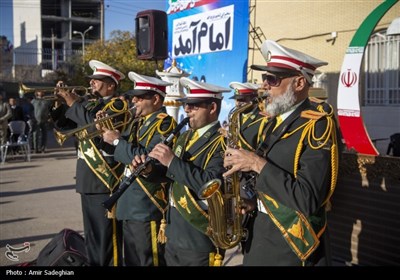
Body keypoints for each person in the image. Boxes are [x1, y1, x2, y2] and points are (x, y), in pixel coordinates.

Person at [223, 40, 340, 266]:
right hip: (259, 234)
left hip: (291, 247)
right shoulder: (271, 122)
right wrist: (253, 201)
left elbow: (308, 199)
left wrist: (257, 164)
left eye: (272, 79)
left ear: (298, 83)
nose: (264, 86)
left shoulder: (318, 125)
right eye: (264, 78)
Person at [137, 77, 230, 266]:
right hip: (174, 230)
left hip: (198, 235)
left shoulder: (223, 143)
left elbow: (211, 184)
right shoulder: (185, 136)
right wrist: (148, 169)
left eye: (194, 106)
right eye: (186, 105)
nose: (187, 110)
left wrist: (171, 161)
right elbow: (169, 175)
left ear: (212, 108)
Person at [56, 60, 128, 266]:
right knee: (93, 238)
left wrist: (73, 102)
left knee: (107, 239)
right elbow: (64, 126)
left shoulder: (117, 104)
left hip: (104, 180)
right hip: (88, 179)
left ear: (111, 85)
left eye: (97, 80)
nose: (92, 84)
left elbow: (95, 128)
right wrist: (59, 103)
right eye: (91, 80)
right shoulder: (89, 104)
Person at [101, 72, 177, 266]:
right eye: (134, 96)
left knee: (147, 261)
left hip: (146, 202)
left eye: (140, 97)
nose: (133, 100)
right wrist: (106, 135)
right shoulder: (137, 121)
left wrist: (117, 140)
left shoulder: (165, 123)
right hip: (129, 201)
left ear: (156, 99)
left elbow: (147, 158)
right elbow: (118, 155)